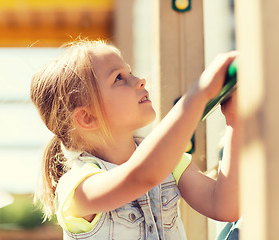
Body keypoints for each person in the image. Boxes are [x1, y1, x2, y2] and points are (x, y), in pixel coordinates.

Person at [31, 39, 239, 239]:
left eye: (129, 72)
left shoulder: (168, 162)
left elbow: (223, 205)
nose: (140, 80)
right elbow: (141, 176)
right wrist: (199, 93)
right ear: (87, 117)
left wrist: (234, 122)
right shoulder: (77, 189)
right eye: (118, 78)